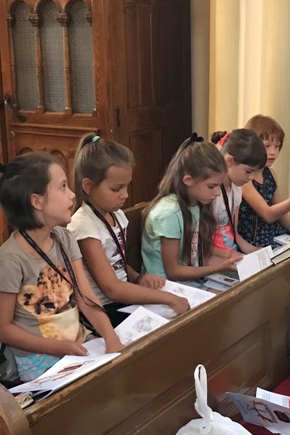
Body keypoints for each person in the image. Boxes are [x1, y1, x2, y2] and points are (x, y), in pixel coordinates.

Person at [0, 153, 122, 382]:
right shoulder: (10, 260)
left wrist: (111, 338)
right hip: (39, 359)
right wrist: (58, 348)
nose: (72, 194)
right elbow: (2, 328)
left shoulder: (64, 238)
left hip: (79, 345)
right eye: (63, 187)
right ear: (37, 201)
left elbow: (86, 298)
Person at [67, 133, 190, 324]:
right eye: (116, 189)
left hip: (123, 302)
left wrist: (138, 277)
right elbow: (111, 288)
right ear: (88, 186)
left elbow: (117, 263)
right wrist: (168, 298)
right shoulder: (84, 225)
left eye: (127, 186)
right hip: (103, 310)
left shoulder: (117, 215)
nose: (125, 195)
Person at [141, 134, 241, 284]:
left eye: (219, 186)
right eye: (211, 186)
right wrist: (219, 267)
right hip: (164, 286)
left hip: (189, 281)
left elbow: (198, 254)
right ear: (188, 180)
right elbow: (174, 272)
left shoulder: (195, 204)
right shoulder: (169, 214)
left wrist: (231, 258)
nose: (217, 193)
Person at [237, 114, 290, 248]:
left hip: (274, 233)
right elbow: (268, 214)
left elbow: (281, 214)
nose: (273, 152)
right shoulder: (245, 178)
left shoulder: (271, 174)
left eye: (277, 146)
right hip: (254, 239)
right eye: (267, 146)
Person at [210, 128, 267, 254]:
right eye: (248, 171)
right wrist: (232, 256)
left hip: (230, 251)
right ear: (229, 161)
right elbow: (200, 244)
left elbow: (234, 234)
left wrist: (256, 251)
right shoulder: (210, 192)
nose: (252, 177)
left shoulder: (236, 189)